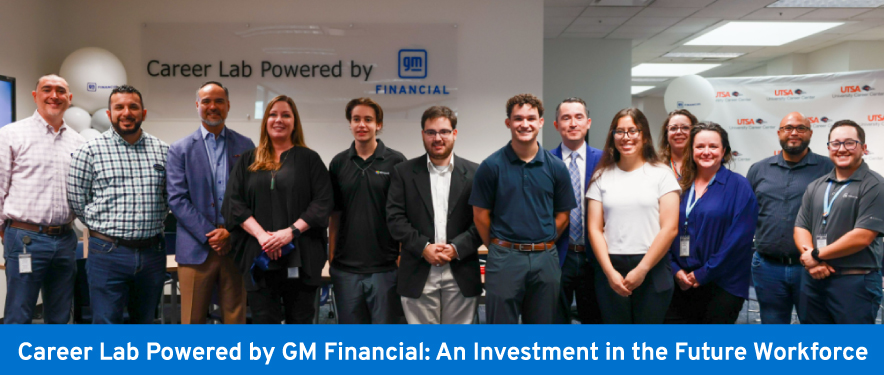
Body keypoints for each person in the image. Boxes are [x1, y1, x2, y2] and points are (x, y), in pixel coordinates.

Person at [222, 95, 332, 324]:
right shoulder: (248, 160)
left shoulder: (310, 160)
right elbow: (234, 203)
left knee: (300, 324)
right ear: (265, 121)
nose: (278, 119)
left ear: (295, 122)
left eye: (285, 115)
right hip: (258, 257)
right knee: (264, 325)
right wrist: (263, 237)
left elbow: (322, 203)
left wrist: (288, 233)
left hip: (302, 258)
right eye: (273, 114)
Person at [470, 93, 575, 324]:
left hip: (545, 259)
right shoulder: (491, 166)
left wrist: (542, 241)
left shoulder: (556, 168)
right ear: (508, 123)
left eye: (531, 118)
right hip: (504, 258)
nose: (525, 124)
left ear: (541, 122)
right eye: (518, 118)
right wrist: (501, 248)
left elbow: (563, 216)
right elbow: (480, 216)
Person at [67, 85, 169, 324]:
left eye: (133, 106)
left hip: (152, 253)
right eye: (119, 107)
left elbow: (168, 196)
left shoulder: (164, 151)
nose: (127, 112)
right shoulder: (88, 151)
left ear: (143, 113)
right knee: (106, 325)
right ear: (108, 113)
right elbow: (77, 199)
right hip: (107, 253)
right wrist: (102, 228)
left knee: (144, 323)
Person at [167, 81, 255, 324]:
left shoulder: (246, 146)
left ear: (228, 106)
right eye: (206, 101)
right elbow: (176, 199)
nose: (212, 106)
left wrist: (230, 231)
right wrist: (211, 233)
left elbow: (252, 196)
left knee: (235, 319)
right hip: (196, 248)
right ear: (197, 105)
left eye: (218, 101)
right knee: (192, 321)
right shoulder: (179, 149)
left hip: (235, 246)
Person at [0, 74, 85, 324]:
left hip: (66, 239)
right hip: (25, 238)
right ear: (35, 96)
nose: (54, 95)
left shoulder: (78, 142)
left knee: (59, 316)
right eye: (47, 89)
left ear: (69, 99)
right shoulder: (12, 134)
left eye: (60, 91)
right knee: (19, 313)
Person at [387, 106, 482, 324]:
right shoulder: (403, 172)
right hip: (418, 271)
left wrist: (456, 248)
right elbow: (394, 219)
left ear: (454, 134)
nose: (437, 138)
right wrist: (424, 247)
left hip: (461, 270)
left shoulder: (476, 173)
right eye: (431, 132)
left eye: (444, 131)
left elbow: (483, 222)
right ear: (423, 135)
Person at [586, 108, 679, 324]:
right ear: (612, 136)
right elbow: (594, 228)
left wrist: (642, 269)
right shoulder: (601, 176)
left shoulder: (661, 173)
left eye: (632, 131)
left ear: (644, 135)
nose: (626, 137)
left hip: (652, 266)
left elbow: (670, 228)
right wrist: (609, 272)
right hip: (611, 268)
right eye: (619, 131)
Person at [665, 122, 758, 324]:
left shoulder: (739, 186)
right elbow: (664, 229)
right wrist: (675, 269)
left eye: (713, 146)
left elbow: (737, 241)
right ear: (691, 151)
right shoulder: (679, 185)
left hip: (723, 284)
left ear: (724, 151)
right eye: (699, 147)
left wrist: (702, 273)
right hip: (679, 282)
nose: (706, 152)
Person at [746, 112, 833, 324]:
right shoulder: (759, 169)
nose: (794, 132)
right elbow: (746, 214)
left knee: (816, 330)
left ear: (810, 133)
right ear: (779, 133)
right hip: (767, 268)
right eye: (788, 128)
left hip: (812, 267)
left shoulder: (828, 169)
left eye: (800, 128)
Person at [795, 120, 884, 324]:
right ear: (828, 148)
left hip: (854, 282)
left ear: (864, 148)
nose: (842, 149)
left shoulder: (875, 185)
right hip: (814, 278)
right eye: (835, 143)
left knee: (853, 349)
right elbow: (800, 227)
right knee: (817, 348)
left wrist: (816, 255)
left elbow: (862, 236)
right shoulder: (816, 186)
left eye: (849, 143)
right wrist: (812, 260)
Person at [328, 97, 407, 324]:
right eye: (356, 119)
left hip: (385, 268)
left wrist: (401, 256)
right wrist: (331, 256)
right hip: (346, 269)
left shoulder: (396, 161)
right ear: (350, 124)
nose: (361, 125)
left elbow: (403, 214)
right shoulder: (338, 163)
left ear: (378, 125)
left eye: (368, 119)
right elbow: (335, 214)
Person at [549, 97, 603, 324]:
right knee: (554, 322)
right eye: (566, 118)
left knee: (595, 321)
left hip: (595, 256)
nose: (573, 123)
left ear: (588, 123)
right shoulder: (544, 161)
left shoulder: (604, 161)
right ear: (556, 125)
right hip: (557, 254)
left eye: (578, 117)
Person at [659, 109, 697, 180]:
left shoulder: (701, 164)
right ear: (666, 134)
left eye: (685, 128)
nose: (679, 132)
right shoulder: (656, 165)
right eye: (673, 128)